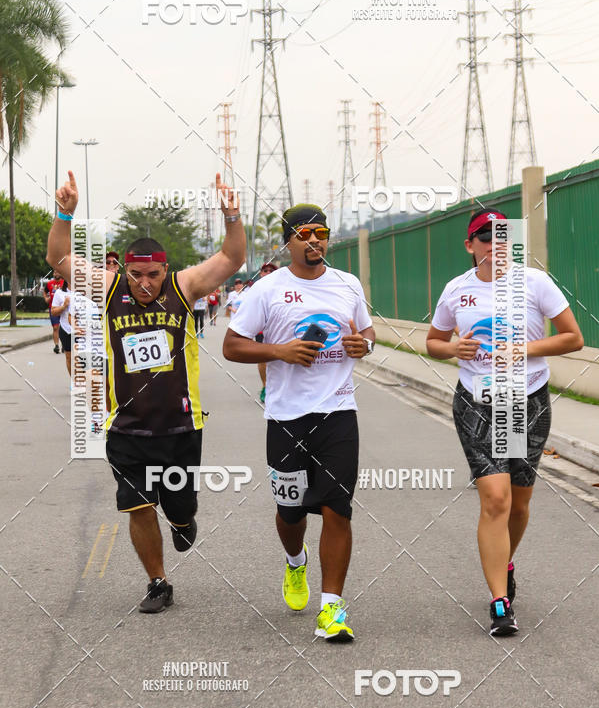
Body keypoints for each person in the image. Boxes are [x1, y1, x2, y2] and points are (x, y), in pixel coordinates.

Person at [47, 170, 245, 614]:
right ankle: (158, 582)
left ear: (165, 270)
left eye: (153, 275)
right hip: (127, 428)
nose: (144, 284)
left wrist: (231, 215)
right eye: (136, 275)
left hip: (180, 426)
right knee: (137, 505)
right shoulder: (109, 287)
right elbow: (59, 259)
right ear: (126, 271)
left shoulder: (184, 286)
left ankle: (183, 519)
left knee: (178, 505)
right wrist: (65, 214)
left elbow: (232, 257)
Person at [426, 208, 583, 636]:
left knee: (518, 502)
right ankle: (499, 602)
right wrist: (454, 349)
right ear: (469, 245)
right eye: (485, 237)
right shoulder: (457, 290)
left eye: (503, 236)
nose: (496, 245)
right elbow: (434, 342)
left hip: (525, 402)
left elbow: (573, 337)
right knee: (496, 499)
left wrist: (524, 349)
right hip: (478, 403)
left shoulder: (534, 282)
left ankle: (504, 561)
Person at [223, 204, 375, 642]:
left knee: (337, 510)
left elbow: (367, 333)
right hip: (287, 417)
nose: (313, 241)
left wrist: (362, 345)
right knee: (290, 514)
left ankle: (332, 610)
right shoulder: (267, 289)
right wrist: (281, 351)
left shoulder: (347, 284)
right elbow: (232, 346)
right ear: (287, 241)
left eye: (320, 233)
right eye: (304, 234)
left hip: (338, 412)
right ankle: (295, 562)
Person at [256, 261, 278, 403]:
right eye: (265, 270)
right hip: (261, 329)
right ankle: (265, 386)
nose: (268, 273)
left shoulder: (284, 288)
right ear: (261, 274)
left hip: (279, 329)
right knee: (262, 358)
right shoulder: (255, 290)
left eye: (272, 271)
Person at [51, 280, 72, 376]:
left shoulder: (85, 291)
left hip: (83, 330)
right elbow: (53, 312)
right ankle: (74, 381)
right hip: (66, 329)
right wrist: (64, 306)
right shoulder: (60, 293)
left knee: (83, 359)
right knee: (69, 358)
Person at [43, 270, 65, 353]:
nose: (56, 274)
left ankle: (64, 345)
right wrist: (46, 298)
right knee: (55, 327)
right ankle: (56, 345)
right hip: (53, 308)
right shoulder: (49, 283)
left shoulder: (65, 283)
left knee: (63, 327)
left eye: (58, 272)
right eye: (55, 272)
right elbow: (45, 292)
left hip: (63, 308)